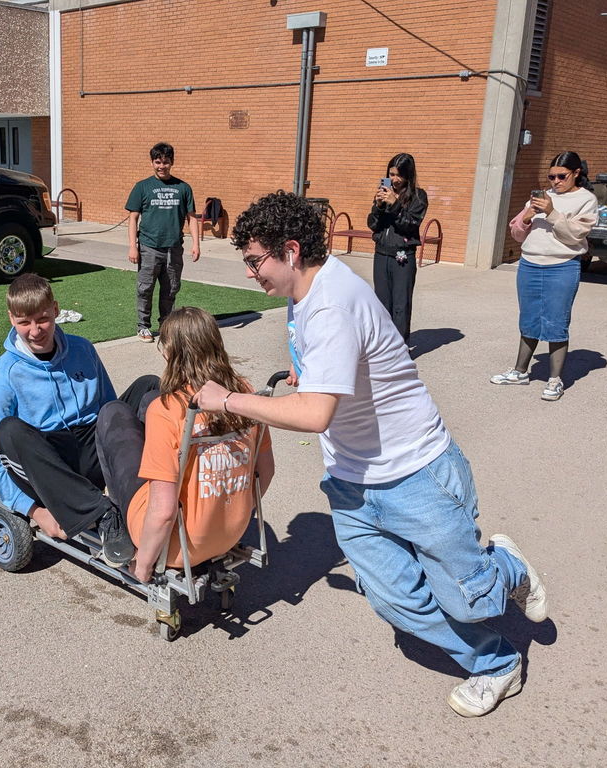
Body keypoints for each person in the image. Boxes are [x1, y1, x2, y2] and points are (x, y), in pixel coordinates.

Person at [195, 191, 549, 718]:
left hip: (416, 473)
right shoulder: (305, 294)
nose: (250, 274)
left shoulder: (332, 303)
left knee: (466, 598)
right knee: (395, 600)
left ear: (290, 251)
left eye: (254, 261)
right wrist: (312, 374)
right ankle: (496, 663)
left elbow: (316, 415)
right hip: (351, 483)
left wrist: (225, 400)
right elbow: (334, 369)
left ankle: (508, 569)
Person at [0, 273, 157, 567]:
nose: (35, 330)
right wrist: (35, 511)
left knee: (149, 386)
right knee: (9, 430)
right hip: (50, 467)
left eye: (42, 319)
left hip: (91, 448)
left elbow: (111, 410)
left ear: (56, 310)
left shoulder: (82, 349)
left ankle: (160, 489)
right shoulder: (6, 371)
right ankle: (104, 515)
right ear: (11, 319)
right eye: (24, 322)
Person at [94, 307, 274, 584]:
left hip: (178, 549)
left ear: (170, 352)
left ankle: (117, 516)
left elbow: (165, 511)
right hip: (229, 533)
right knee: (148, 396)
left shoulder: (168, 409)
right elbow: (266, 472)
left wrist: (143, 566)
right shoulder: (244, 393)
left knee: (113, 413)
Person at [492, 151, 599, 401]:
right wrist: (527, 218)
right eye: (551, 176)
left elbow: (575, 235)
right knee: (528, 318)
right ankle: (519, 371)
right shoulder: (540, 197)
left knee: (556, 322)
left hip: (562, 266)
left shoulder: (586, 200)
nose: (555, 182)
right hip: (529, 264)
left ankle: (554, 380)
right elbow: (517, 234)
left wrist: (551, 213)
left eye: (561, 176)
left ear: (576, 174)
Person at [125, 142, 201, 343]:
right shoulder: (142, 187)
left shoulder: (183, 188)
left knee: (171, 289)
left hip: (173, 248)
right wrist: (133, 246)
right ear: (152, 162)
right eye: (158, 162)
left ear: (172, 162)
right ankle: (143, 326)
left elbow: (192, 217)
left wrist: (196, 244)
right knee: (145, 288)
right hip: (149, 247)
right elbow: (133, 218)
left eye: (166, 162)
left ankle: (166, 325)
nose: (162, 166)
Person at [367, 152, 428, 346]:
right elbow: (373, 225)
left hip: (402, 255)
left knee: (400, 305)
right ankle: (383, 345)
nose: (394, 179)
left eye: (398, 175)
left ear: (408, 175)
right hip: (382, 253)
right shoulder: (384, 193)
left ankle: (400, 347)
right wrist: (377, 206)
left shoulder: (419, 197)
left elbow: (409, 225)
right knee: (382, 303)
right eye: (391, 174)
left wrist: (395, 205)